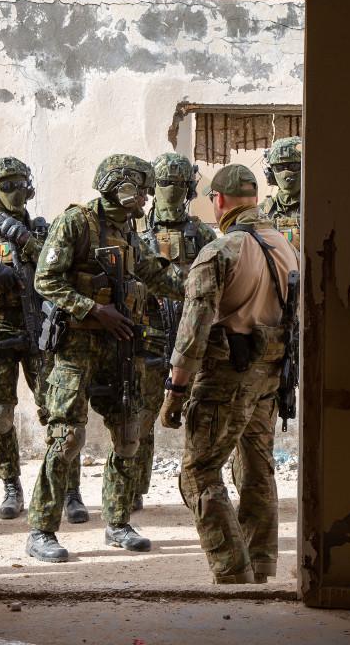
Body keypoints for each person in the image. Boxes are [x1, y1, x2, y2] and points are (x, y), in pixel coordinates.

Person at [26, 153, 185, 562]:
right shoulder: (76, 222)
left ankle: (117, 523)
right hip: (77, 347)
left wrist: (201, 283)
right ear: (121, 186)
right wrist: (93, 309)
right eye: (142, 189)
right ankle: (41, 531)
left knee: (129, 436)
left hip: (120, 348)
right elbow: (45, 279)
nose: (147, 197)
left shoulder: (128, 231)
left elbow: (156, 276)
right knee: (66, 438)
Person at [160, 163, 299, 585]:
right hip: (270, 376)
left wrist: (175, 391)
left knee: (198, 473)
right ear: (254, 198)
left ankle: (232, 571)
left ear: (218, 201)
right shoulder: (285, 245)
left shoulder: (220, 251)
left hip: (226, 377)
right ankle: (260, 564)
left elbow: (193, 332)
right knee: (257, 469)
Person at [0, 157, 91, 522]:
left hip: (40, 335)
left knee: (60, 416)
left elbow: (59, 267)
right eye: (5, 186)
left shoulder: (44, 231)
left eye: (19, 185)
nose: (14, 192)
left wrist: (26, 240)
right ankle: (11, 487)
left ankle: (70, 492)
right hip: (0, 336)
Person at [136, 153, 218, 512]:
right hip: (149, 337)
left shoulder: (202, 234)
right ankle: (134, 488)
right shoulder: (137, 234)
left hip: (192, 337)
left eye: (179, 184)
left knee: (199, 417)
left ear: (189, 189)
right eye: (165, 183)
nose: (171, 190)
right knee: (141, 416)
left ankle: (197, 487)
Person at [259, 135, 302, 249]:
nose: (286, 173)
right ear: (270, 173)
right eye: (279, 168)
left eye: (294, 166)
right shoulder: (263, 211)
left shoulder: (319, 209)